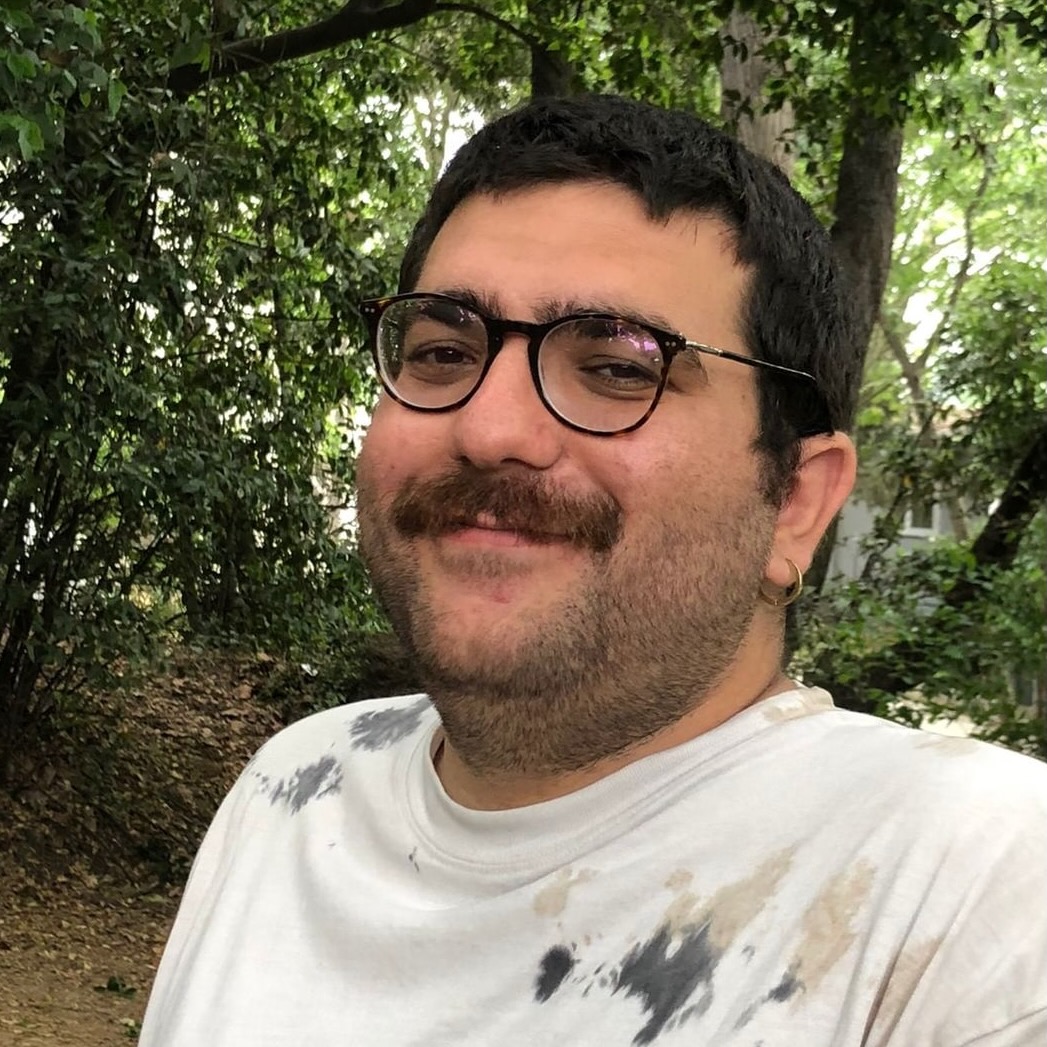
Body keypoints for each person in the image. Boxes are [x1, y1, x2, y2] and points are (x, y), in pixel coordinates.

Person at [140, 95, 1047, 1046]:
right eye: (443, 351)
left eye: (618, 366)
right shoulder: (295, 786)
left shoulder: (975, 889)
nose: (487, 429)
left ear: (795, 503)